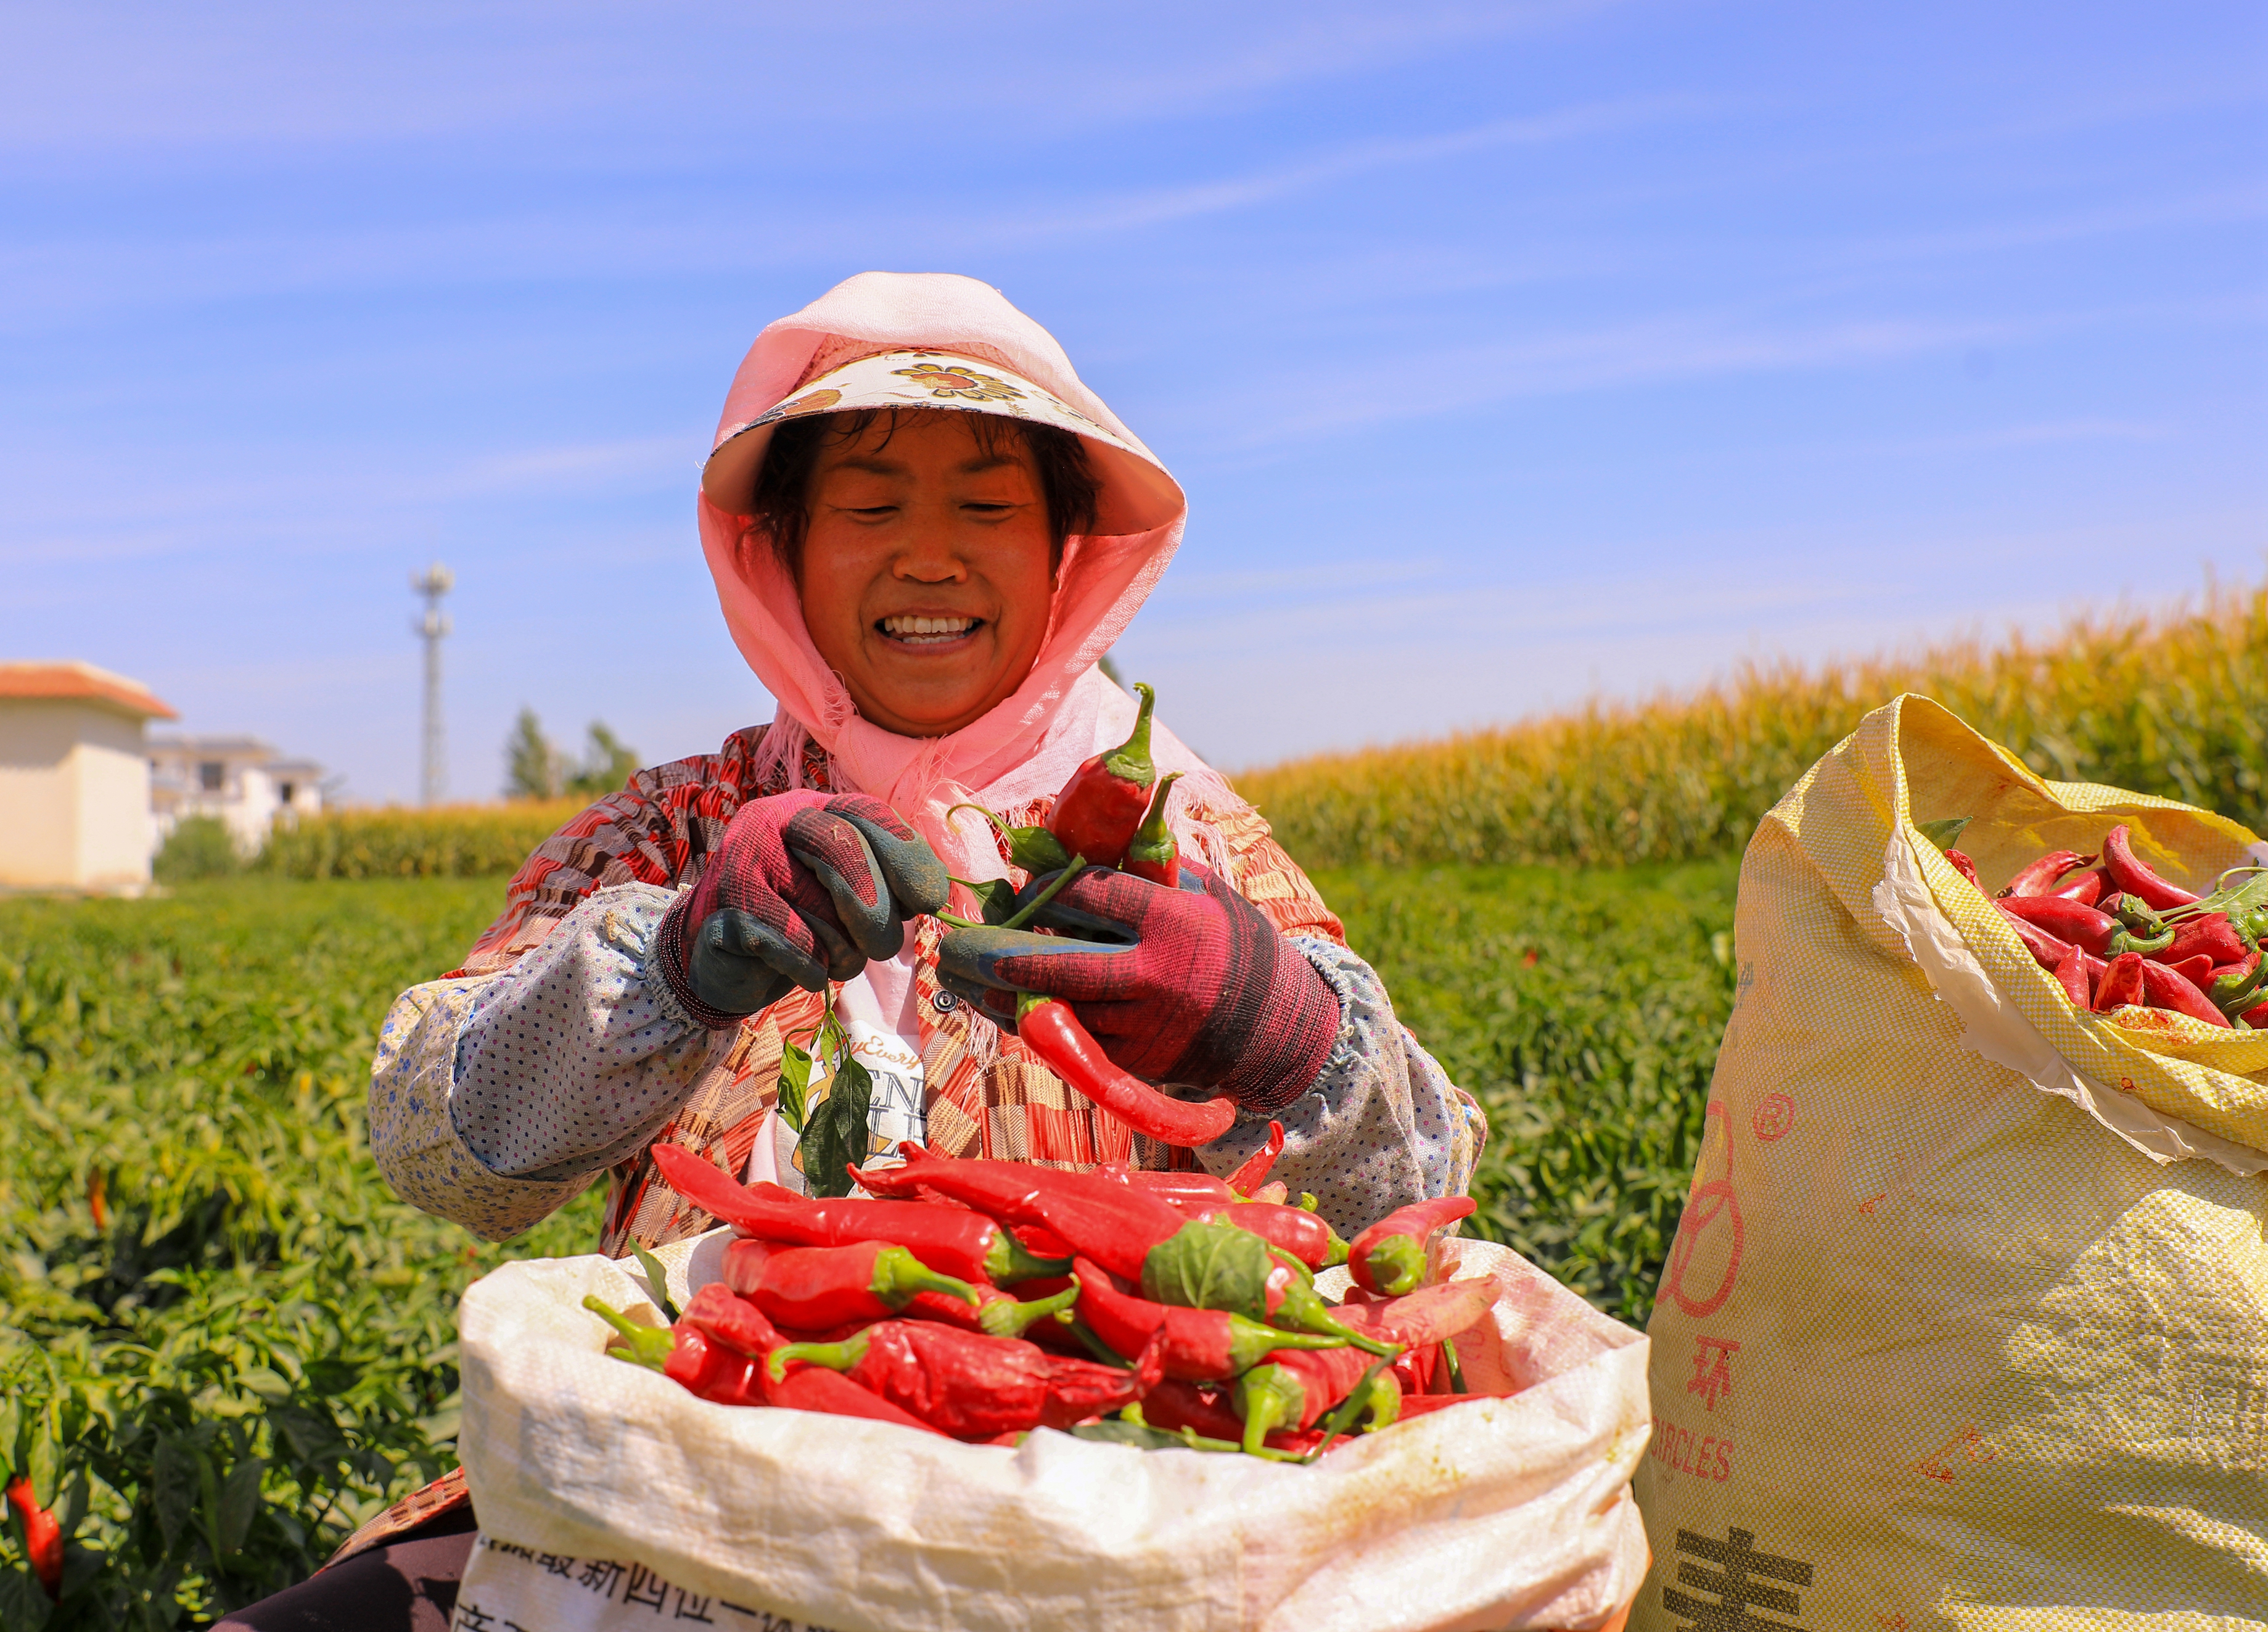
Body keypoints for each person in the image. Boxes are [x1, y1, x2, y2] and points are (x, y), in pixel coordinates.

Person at [221, 271, 1485, 1628]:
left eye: (986, 508)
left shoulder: (1183, 844)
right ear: (779, 551)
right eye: (871, 507)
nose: (927, 556)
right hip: (692, 1473)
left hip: (1091, 1500)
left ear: (1067, 557)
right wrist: (673, 965)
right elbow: (435, 1138)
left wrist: (1283, 1030)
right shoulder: (679, 828)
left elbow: (1425, 1191)